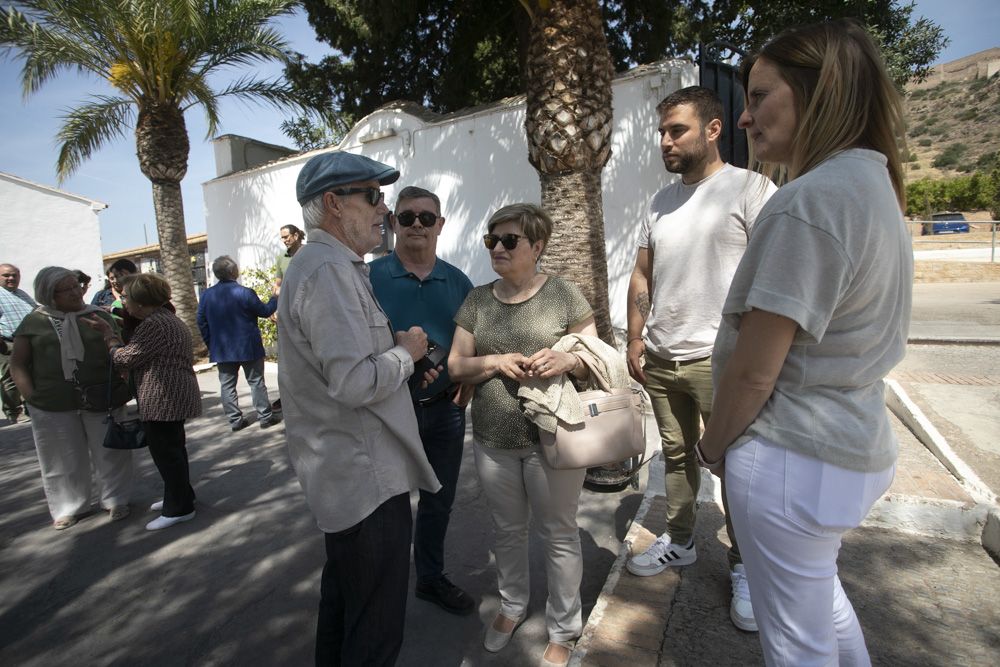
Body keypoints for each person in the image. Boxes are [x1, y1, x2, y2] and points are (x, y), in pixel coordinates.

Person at [696, 19, 912, 665]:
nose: (744, 118)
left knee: (794, 645)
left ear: (816, 93)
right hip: (849, 447)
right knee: (822, 604)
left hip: (793, 456)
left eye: (759, 96)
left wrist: (713, 445)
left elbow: (757, 373)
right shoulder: (873, 188)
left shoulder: (807, 202)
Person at [624, 86, 777, 632]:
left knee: (737, 470)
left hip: (722, 362)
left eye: (677, 130)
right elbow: (643, 273)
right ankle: (682, 540)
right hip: (663, 356)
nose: (665, 141)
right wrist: (636, 338)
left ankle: (746, 567)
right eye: (662, 132)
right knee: (676, 455)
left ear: (713, 130)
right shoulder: (661, 202)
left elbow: (773, 279)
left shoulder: (752, 189)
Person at [278, 151, 440, 666]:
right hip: (364, 477)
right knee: (374, 624)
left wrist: (392, 351)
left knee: (346, 606)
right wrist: (407, 354)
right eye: (371, 196)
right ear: (332, 204)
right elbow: (351, 383)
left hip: (354, 472)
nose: (384, 209)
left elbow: (344, 361)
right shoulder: (326, 269)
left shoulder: (330, 264)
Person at [449, 203, 595, 667]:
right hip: (492, 440)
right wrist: (494, 361)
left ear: (537, 245)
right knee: (507, 532)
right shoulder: (476, 299)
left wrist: (566, 360)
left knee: (559, 533)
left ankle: (564, 626)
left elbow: (593, 353)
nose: (497, 248)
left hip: (553, 439)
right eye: (492, 240)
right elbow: (456, 364)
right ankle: (512, 606)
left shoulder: (565, 295)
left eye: (509, 240)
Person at [369, 186, 475, 615]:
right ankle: (380, 588)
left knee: (438, 500)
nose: (416, 225)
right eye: (407, 217)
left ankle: (430, 578)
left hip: (445, 410)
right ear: (393, 223)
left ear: (440, 225)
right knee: (385, 505)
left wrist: (469, 379)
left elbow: (474, 339)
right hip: (387, 413)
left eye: (426, 218)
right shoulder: (368, 278)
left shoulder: (458, 281)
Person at [9, 266, 133, 529]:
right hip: (51, 403)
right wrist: (30, 396)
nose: (76, 292)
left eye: (76, 286)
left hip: (101, 397)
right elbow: (17, 363)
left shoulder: (99, 315)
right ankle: (69, 506)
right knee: (61, 456)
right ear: (49, 294)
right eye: (67, 290)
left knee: (110, 451)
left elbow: (118, 351)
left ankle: (115, 499)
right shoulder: (34, 322)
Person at [84, 273, 202, 532]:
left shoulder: (153, 324)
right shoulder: (164, 318)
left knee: (167, 453)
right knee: (173, 450)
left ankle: (180, 508)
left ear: (140, 301)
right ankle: (181, 495)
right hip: (171, 394)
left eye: (126, 297)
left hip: (164, 397)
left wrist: (109, 337)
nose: (123, 302)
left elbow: (125, 358)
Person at [197, 255, 280, 431]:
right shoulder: (244, 292)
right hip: (248, 346)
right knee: (256, 381)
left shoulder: (207, 296)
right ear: (233, 271)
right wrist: (275, 298)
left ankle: (235, 420)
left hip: (223, 349)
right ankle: (265, 416)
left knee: (227, 385)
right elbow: (265, 311)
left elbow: (201, 321)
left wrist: (211, 342)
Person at [1, 263, 37, 423]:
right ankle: (14, 411)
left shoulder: (21, 293)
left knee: (29, 375)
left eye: (15, 275)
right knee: (10, 379)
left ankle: (30, 407)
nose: (11, 278)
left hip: (28, 341)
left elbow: (35, 310)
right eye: (6, 275)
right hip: (7, 343)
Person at [274, 224, 305, 292]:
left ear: (296, 236)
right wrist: (275, 294)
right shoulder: (281, 257)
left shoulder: (309, 253)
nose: (284, 241)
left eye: (286, 237)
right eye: (282, 238)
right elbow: (278, 284)